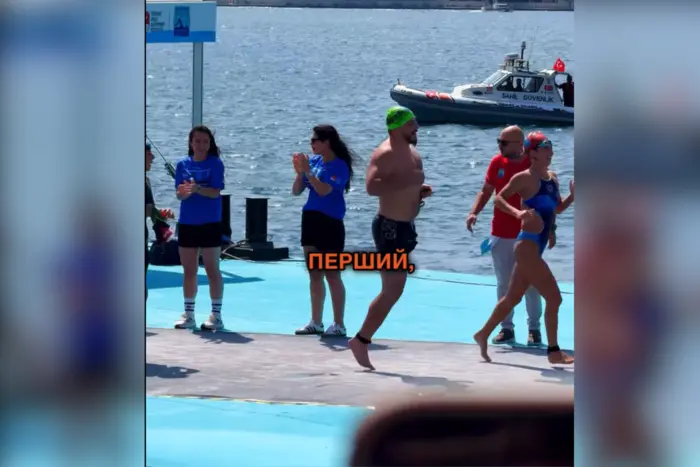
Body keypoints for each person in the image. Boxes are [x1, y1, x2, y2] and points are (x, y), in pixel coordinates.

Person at [473, 132, 574, 365]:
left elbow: (555, 209)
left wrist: (571, 199)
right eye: (545, 147)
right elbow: (499, 199)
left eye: (551, 146)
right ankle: (554, 352)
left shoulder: (552, 178)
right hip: (526, 246)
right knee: (555, 298)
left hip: (537, 248)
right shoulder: (524, 178)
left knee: (512, 298)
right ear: (532, 153)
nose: (550, 151)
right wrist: (518, 213)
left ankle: (482, 334)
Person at [349, 106, 432, 370]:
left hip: (406, 228)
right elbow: (372, 186)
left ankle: (362, 339)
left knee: (394, 289)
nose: (416, 127)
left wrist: (418, 192)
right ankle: (361, 340)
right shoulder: (384, 153)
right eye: (410, 123)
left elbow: (405, 185)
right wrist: (406, 182)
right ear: (396, 127)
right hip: (389, 228)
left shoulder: (413, 153)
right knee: (392, 289)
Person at [466, 126, 545, 346]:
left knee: (531, 283)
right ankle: (506, 328)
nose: (499, 146)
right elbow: (486, 191)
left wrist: (550, 229)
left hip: (528, 234)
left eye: (503, 142)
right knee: (504, 283)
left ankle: (534, 330)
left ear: (520, 144)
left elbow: (547, 199)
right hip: (500, 232)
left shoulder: (532, 164)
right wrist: (473, 212)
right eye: (498, 141)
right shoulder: (497, 162)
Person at [291, 125, 355, 337]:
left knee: (332, 274)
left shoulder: (339, 166)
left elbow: (324, 190)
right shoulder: (314, 162)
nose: (311, 144)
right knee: (314, 274)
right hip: (311, 220)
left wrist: (308, 171)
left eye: (315, 140)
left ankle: (339, 323)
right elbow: (296, 191)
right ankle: (316, 321)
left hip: (330, 223)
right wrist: (300, 173)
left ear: (326, 142)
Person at [173, 125, 226, 331]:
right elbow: (179, 193)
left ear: (210, 143)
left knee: (212, 268)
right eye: (197, 141)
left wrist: (198, 189)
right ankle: (189, 314)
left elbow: (215, 192)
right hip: (188, 222)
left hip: (210, 222)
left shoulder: (215, 164)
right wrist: (185, 192)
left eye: (205, 141)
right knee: (189, 270)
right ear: (191, 143)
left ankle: (216, 315)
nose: (201, 145)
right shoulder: (182, 164)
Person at [145, 143, 173, 301]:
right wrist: (158, 212)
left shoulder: (146, 181)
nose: (153, 157)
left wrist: (161, 216)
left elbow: (150, 210)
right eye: (148, 154)